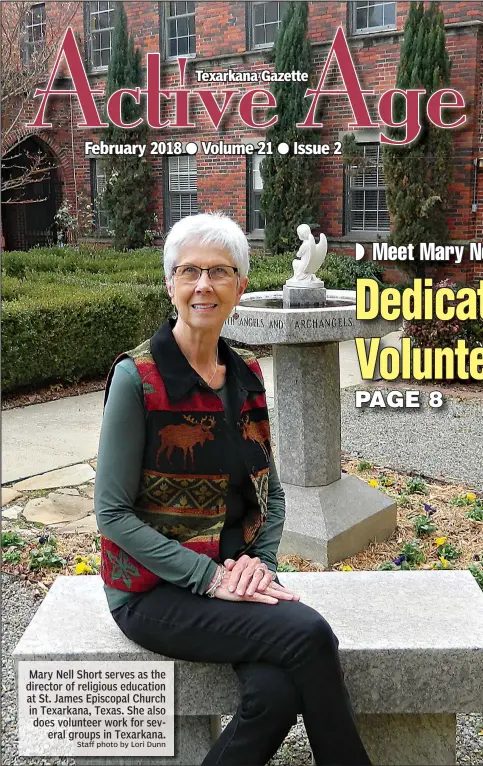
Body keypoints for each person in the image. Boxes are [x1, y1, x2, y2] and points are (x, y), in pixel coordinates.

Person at [95, 212, 371, 766]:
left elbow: (268, 488)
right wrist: (211, 577)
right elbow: (112, 516)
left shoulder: (245, 372)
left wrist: (260, 564)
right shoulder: (137, 379)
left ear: (240, 287)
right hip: (153, 592)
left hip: (233, 577)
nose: (203, 285)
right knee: (309, 634)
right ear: (170, 283)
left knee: (273, 694)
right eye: (189, 271)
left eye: (219, 272)